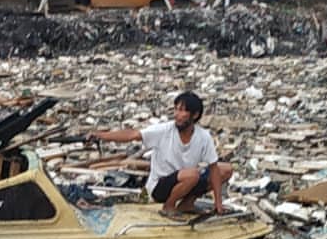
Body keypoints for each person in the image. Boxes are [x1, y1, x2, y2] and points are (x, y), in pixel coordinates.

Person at [88, 91, 233, 218]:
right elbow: (132, 135)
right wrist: (101, 135)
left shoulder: (203, 137)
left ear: (194, 115)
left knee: (225, 169)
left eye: (182, 110)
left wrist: (218, 204)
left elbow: (214, 168)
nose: (177, 115)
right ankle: (168, 207)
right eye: (176, 109)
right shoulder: (164, 131)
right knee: (192, 174)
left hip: (186, 182)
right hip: (160, 187)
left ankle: (187, 204)